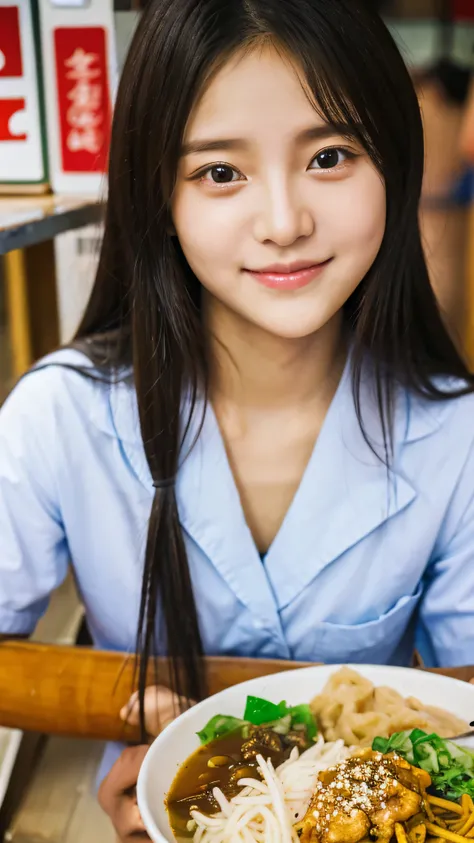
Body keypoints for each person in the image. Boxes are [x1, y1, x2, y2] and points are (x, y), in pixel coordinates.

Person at [1, 0, 474, 839]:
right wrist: (125, 708)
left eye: (330, 156)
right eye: (221, 172)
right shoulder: (56, 417)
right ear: (156, 191)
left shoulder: (457, 434)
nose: (285, 222)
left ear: (393, 163)